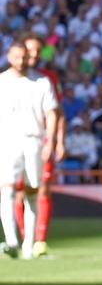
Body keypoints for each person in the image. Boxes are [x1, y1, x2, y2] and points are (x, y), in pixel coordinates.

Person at [1, 38, 58, 260]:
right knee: (7, 189)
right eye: (16, 57)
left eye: (24, 57)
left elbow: (52, 112)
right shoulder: (2, 81)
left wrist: (50, 141)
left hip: (34, 140)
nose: (21, 61)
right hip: (7, 140)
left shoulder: (41, 81)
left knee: (32, 190)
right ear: (9, 57)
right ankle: (12, 241)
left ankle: (29, 243)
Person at [20, 32, 64, 256]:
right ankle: (23, 237)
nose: (34, 54)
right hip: (14, 141)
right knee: (17, 191)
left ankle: (40, 240)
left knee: (43, 189)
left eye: (38, 51)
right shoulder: (8, 78)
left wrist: (58, 141)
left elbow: (58, 113)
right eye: (30, 50)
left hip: (42, 140)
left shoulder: (49, 79)